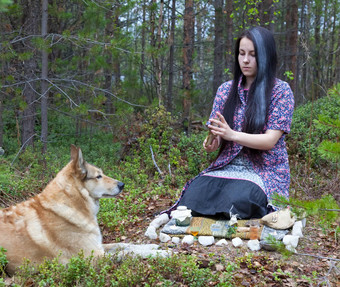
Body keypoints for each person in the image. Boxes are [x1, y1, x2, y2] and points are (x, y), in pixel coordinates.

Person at [164, 26, 295, 219]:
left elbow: (269, 141)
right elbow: (216, 134)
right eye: (241, 53)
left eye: (253, 54)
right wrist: (213, 142)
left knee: (241, 199)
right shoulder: (225, 90)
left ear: (266, 56)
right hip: (228, 167)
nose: (245, 60)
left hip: (264, 171)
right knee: (193, 195)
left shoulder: (281, 91)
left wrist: (232, 134)